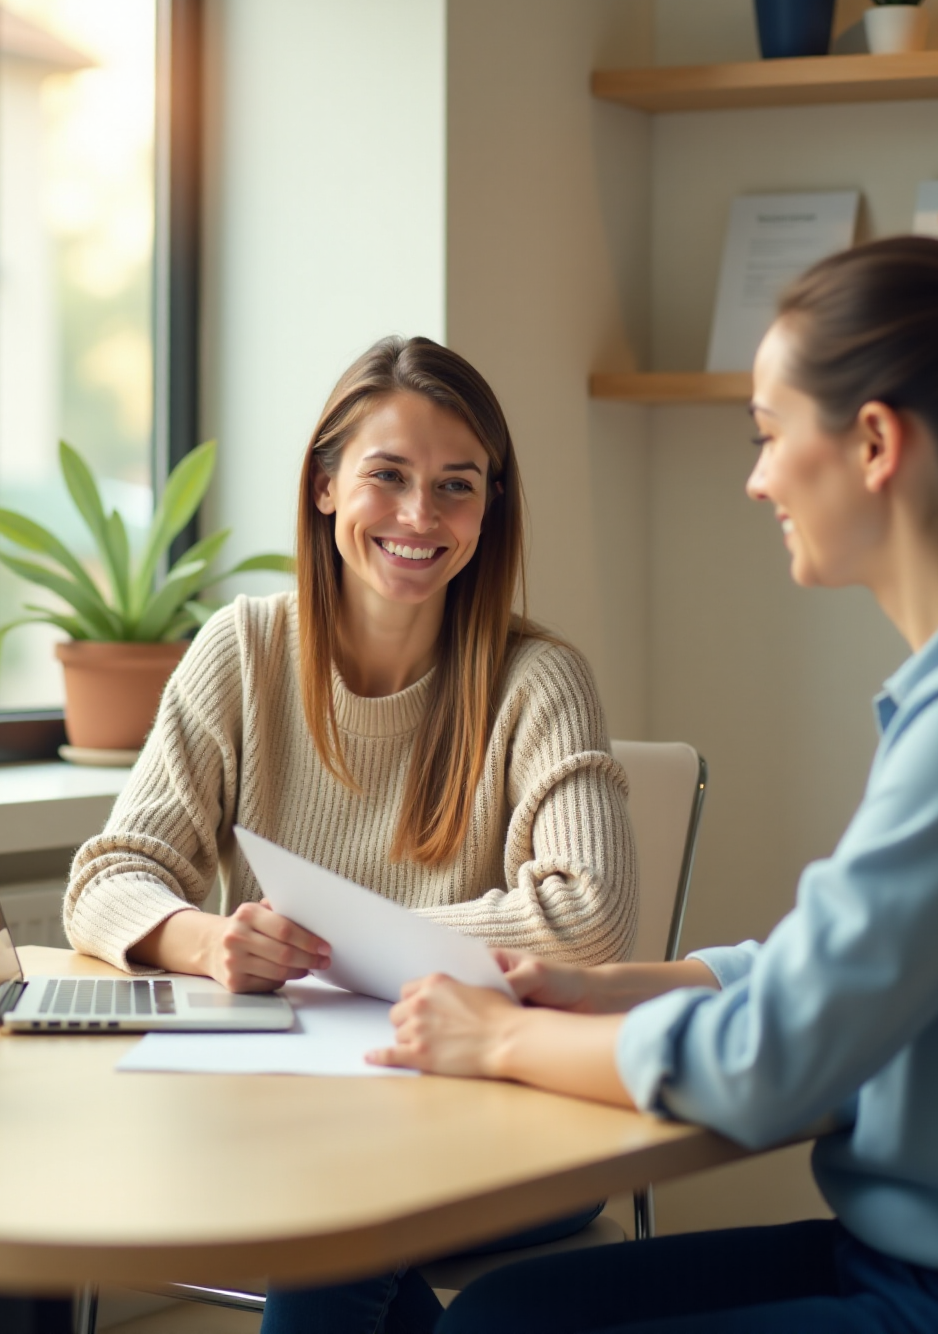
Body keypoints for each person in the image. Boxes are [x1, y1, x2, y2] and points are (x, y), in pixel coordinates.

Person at [372, 238, 938, 1334]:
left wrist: (499, 1040)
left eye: (767, 433)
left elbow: (773, 1059)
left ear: (875, 443)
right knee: (506, 1312)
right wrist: (609, 988)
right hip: (909, 1260)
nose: (756, 478)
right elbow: (836, 972)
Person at [63, 334, 637, 1331]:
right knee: (331, 1212)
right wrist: (213, 941)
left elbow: (587, 920)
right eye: (389, 476)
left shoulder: (539, 679)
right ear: (326, 486)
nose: (420, 516)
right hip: (293, 1109)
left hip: (512, 1117)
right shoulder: (243, 651)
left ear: (490, 508)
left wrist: (333, 943)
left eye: (457, 486)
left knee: (334, 1220)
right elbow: (109, 875)